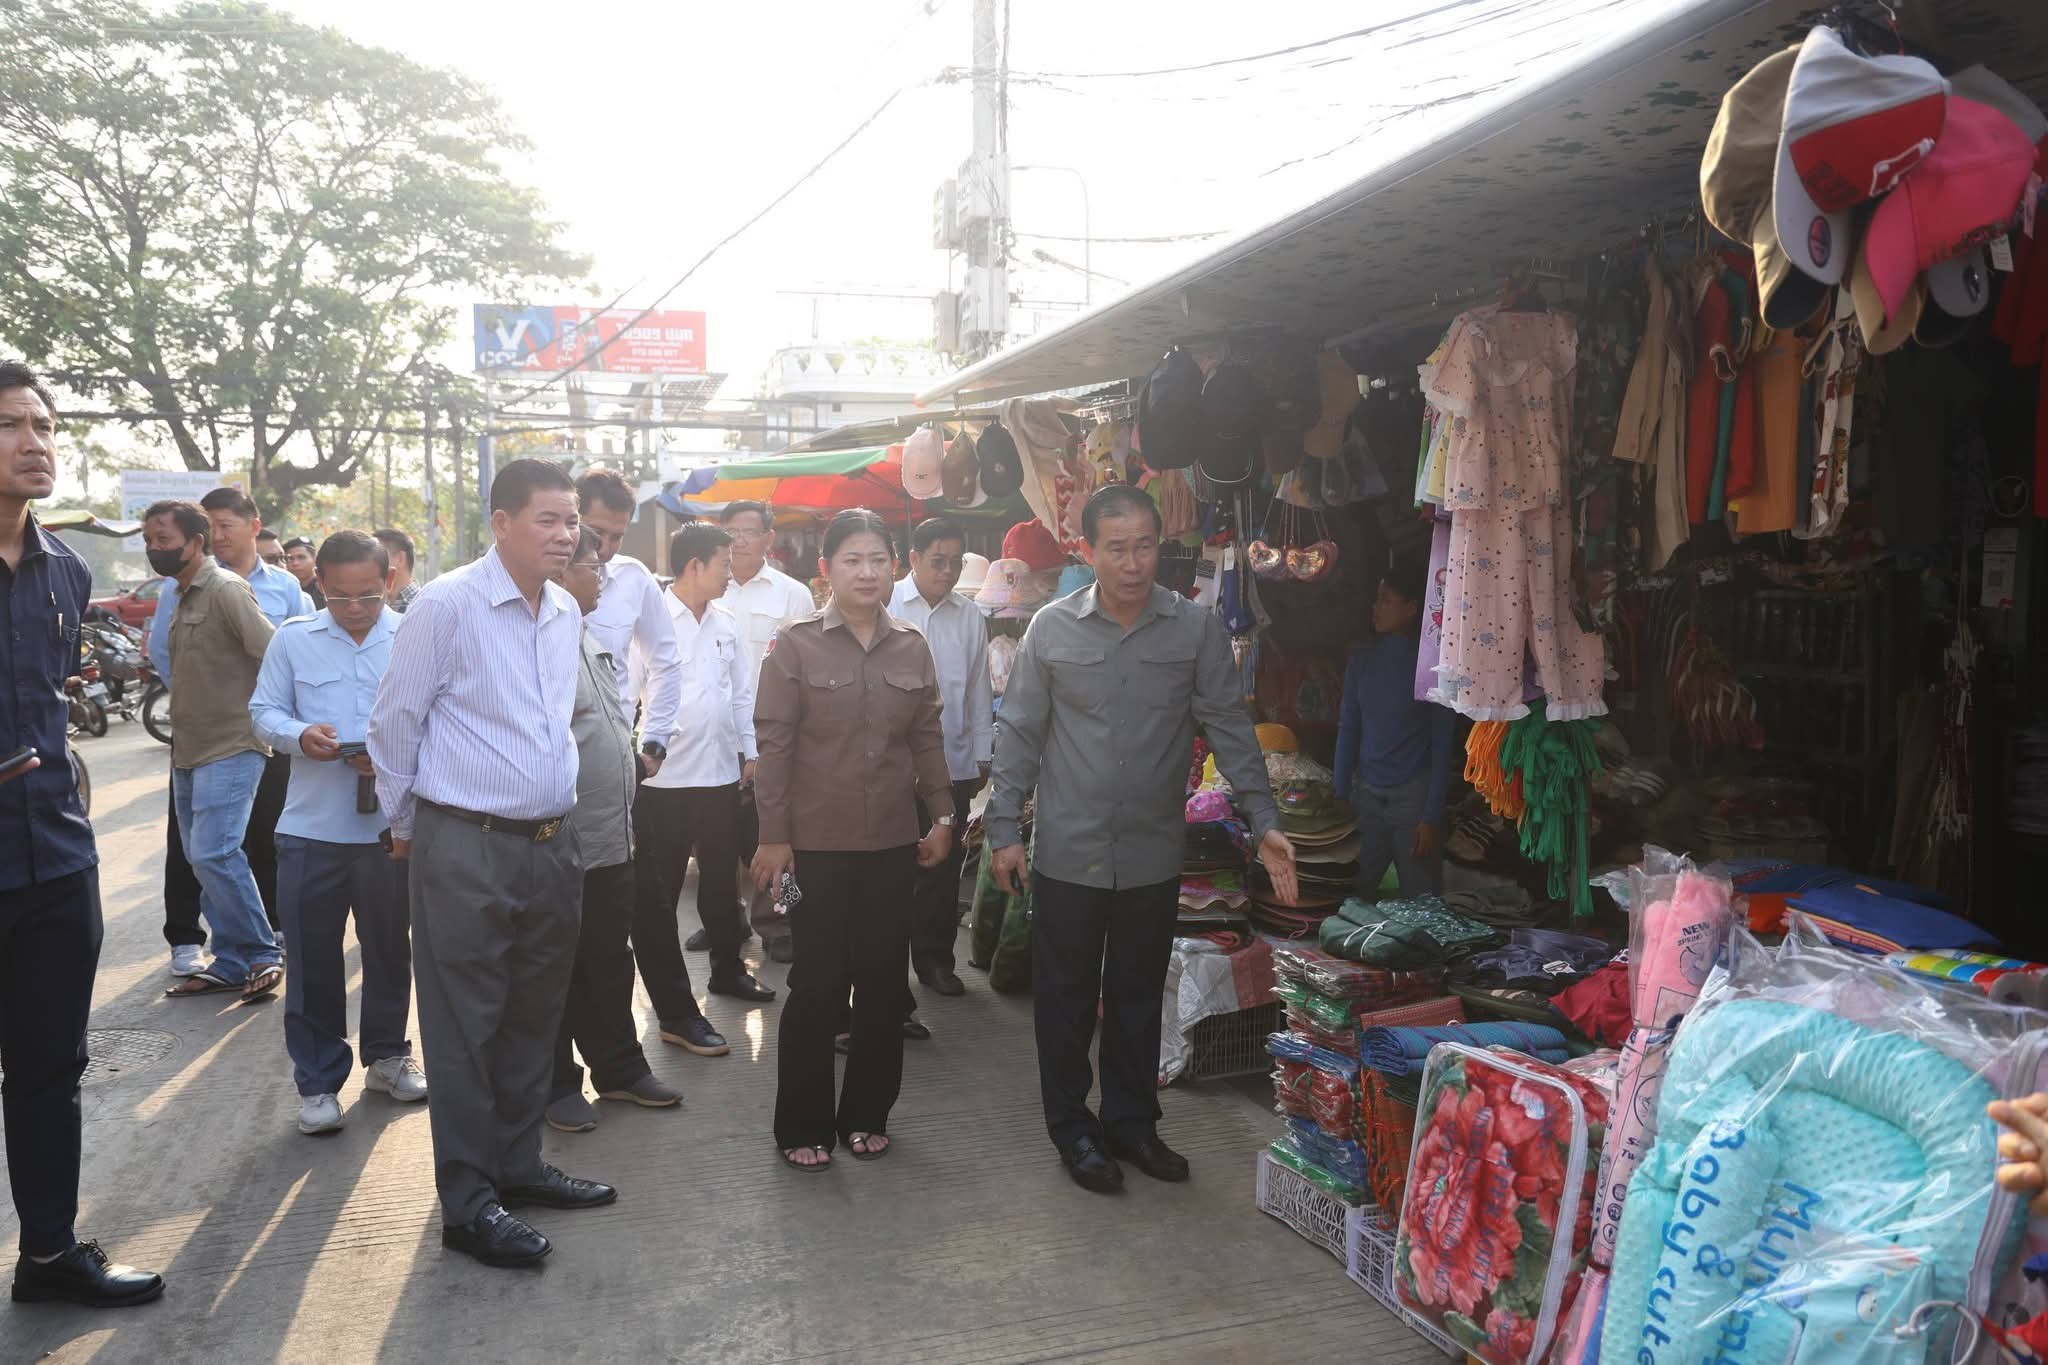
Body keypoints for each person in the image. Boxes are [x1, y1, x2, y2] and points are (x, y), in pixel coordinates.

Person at [988, 484, 1299, 1195]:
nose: (1133, 563)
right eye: (1117, 548)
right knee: (1065, 999)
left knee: (1135, 994)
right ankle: (1073, 1129)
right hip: (1069, 851)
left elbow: (1230, 727)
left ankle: (1131, 1123)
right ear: (1088, 550)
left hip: (1153, 853)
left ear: (1162, 546)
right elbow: (1021, 732)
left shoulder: (1194, 629)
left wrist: (1265, 821)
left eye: (1146, 546)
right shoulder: (1051, 629)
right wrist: (1003, 827)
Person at [367, 458, 615, 1269]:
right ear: (501, 522)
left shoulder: (564, 610)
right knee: (465, 1027)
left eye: (572, 520)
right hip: (465, 843)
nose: (566, 534)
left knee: (533, 1017)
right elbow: (394, 724)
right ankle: (469, 1203)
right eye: (549, 518)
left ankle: (518, 1164)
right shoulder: (446, 606)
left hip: (552, 843)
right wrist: (409, 825)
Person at [0, 360, 164, 1306]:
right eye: (11, 425)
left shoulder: (67, 569)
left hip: (58, 863)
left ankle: (49, 1253)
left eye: (46, 425)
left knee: (49, 1068)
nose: (35, 442)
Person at [753, 508, 954, 1170]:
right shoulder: (795, 645)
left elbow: (926, 736)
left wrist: (943, 816)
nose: (867, 572)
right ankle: (802, 1123)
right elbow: (774, 748)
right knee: (816, 982)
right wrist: (773, 838)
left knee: (882, 983)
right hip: (811, 850)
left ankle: (867, 1113)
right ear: (826, 569)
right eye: (851, 560)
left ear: (893, 566)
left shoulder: (912, 646)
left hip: (892, 846)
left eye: (877, 559)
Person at [248, 530, 425, 1136]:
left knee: (390, 950)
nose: (354, 608)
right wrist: (301, 736)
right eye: (341, 596)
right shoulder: (293, 640)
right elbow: (263, 712)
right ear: (318, 584)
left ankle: (388, 1057)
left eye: (369, 596)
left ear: (390, 583)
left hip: (390, 829)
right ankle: (319, 1082)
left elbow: (441, 717)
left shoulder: (413, 637)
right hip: (311, 829)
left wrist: (394, 756)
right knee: (313, 960)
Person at [545, 528, 681, 1134]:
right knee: (554, 964)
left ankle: (619, 1068)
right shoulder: (533, 642)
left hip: (610, 835)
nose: (602, 579)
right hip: (556, 839)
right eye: (592, 568)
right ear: (559, 573)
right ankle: (553, 1084)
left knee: (608, 957)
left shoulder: (587, 636)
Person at [148, 488, 310, 977]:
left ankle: (261, 951)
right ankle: (233, 958)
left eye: (163, 539)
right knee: (201, 858)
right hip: (189, 745)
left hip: (232, 742)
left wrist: (272, 717)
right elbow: (169, 661)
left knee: (215, 852)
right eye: (149, 540)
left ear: (194, 543)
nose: (155, 549)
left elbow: (276, 654)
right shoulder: (179, 592)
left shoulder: (226, 589)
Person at [633, 521, 773, 1069]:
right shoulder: (649, 622)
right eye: (723, 562)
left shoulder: (726, 623)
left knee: (720, 883)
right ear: (695, 564)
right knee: (660, 896)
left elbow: (741, 694)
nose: (729, 572)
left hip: (718, 776)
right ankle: (671, 1002)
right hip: (661, 784)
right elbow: (628, 694)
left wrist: (751, 751)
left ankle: (728, 971)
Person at [888, 515, 993, 1004]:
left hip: (951, 763)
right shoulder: (885, 602)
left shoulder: (969, 616)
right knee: (891, 872)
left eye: (955, 563)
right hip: (889, 767)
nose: (947, 572)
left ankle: (935, 962)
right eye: (938, 562)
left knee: (943, 871)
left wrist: (981, 756)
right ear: (913, 558)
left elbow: (977, 690)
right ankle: (889, 978)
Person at [712, 499, 816, 967]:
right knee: (717, 839)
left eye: (748, 531)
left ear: (769, 539)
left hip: (773, 739)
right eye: (730, 531)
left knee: (775, 835)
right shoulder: (705, 586)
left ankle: (782, 922)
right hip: (717, 739)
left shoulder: (792, 595)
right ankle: (725, 920)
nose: (738, 541)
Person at [1334, 558, 1454, 899]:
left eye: (1386, 600)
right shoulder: (1361, 661)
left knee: (1421, 900)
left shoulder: (1433, 667)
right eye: (1377, 600)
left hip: (1413, 801)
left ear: (1412, 608)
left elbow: (1443, 744)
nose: (1376, 608)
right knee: (1353, 894)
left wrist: (1431, 817)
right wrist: (1340, 792)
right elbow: (1348, 729)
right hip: (1366, 797)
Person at [571, 469, 680, 777]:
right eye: (596, 532)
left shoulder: (634, 579)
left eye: (617, 536)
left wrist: (655, 743)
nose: (604, 546)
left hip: (611, 753)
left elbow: (665, 662)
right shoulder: (539, 579)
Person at [374, 528, 420, 612]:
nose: (369, 564)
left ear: (400, 558)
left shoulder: (421, 605)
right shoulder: (375, 604)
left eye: (377, 557)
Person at [282, 535, 324, 608]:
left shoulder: (325, 588)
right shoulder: (282, 589)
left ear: (315, 559)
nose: (295, 563)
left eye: (301, 557)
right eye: (290, 558)